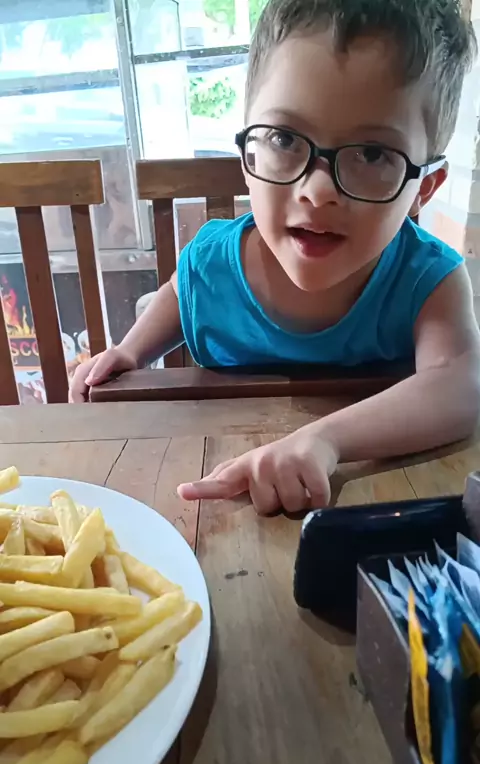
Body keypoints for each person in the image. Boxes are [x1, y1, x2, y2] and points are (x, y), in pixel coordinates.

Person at [71, 0, 480, 515]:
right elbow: (182, 291)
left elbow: (462, 385)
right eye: (285, 139)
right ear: (247, 156)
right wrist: (132, 352)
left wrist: (326, 439)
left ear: (425, 187)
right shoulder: (212, 261)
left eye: (373, 154)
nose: (318, 190)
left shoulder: (429, 280)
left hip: (372, 507)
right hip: (207, 497)